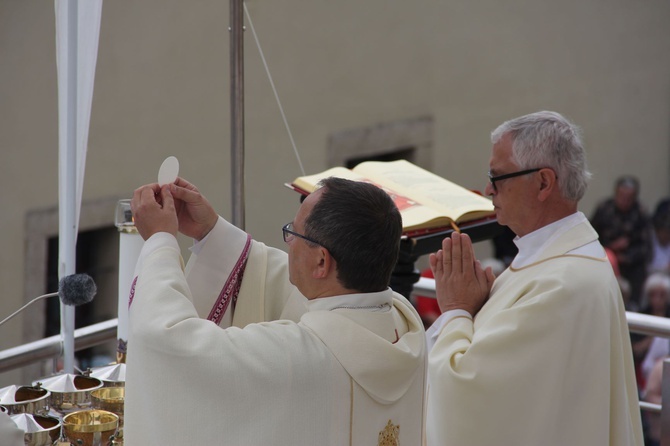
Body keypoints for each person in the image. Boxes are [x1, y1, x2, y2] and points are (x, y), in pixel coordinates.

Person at [124, 176, 427, 445]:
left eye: (293, 232)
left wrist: (160, 242)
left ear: (321, 262)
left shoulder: (295, 357)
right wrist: (212, 234)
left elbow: (167, 341)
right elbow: (304, 288)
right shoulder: (405, 325)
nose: (289, 242)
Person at [425, 111, 643, 445]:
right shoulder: (554, 261)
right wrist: (479, 310)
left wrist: (455, 310)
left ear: (543, 182)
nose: (488, 189)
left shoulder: (562, 285)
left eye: (497, 177)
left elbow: (467, 390)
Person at [591, 175, 653, 306]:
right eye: (621, 196)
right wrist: (611, 247)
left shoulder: (641, 213)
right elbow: (591, 237)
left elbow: (646, 247)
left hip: (632, 266)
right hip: (606, 259)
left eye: (628, 198)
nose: (624, 201)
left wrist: (627, 257)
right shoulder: (604, 209)